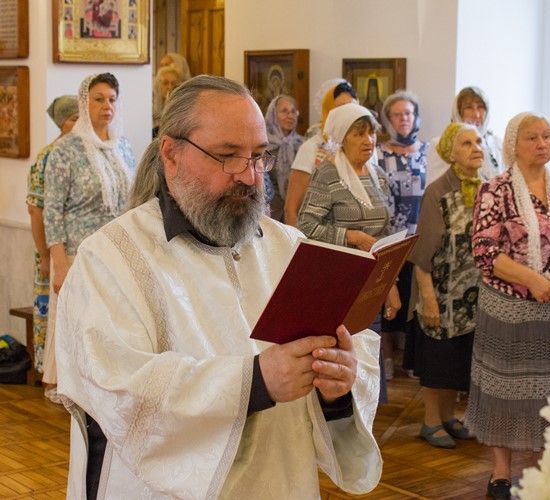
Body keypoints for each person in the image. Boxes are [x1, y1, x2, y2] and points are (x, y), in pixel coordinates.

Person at [55, 75, 382, 499]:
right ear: (171, 154)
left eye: (259, 156)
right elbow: (121, 390)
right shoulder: (111, 258)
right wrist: (257, 381)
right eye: (227, 156)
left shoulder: (289, 247)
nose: (249, 176)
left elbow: (349, 352)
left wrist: (338, 386)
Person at [464, 112, 550, 500]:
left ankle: (546, 469)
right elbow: (484, 251)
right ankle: (501, 472)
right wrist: (531, 279)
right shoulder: (495, 190)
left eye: (546, 136)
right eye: (532, 138)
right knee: (505, 392)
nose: (542, 144)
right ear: (513, 146)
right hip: (510, 310)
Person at [297, 103, 399, 398]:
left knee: (368, 353)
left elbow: (386, 233)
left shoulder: (378, 175)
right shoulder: (328, 174)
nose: (369, 140)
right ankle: (341, 415)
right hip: (336, 283)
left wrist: (390, 285)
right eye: (359, 134)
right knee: (341, 356)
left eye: (371, 133)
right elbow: (306, 226)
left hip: (370, 283)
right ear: (342, 138)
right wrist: (351, 236)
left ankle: (368, 414)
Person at [43, 73, 135, 403]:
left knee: (106, 320)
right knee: (76, 319)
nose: (106, 106)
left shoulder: (122, 146)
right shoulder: (65, 150)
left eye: (111, 99)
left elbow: (132, 200)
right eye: (98, 99)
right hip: (76, 252)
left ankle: (102, 382)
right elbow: (52, 210)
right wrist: (59, 263)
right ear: (84, 104)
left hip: (113, 251)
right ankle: (69, 385)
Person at [409, 122, 483, 448]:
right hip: (440, 292)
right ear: (451, 154)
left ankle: (450, 416)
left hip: (472, 296)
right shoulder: (437, 192)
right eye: (467, 143)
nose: (476, 148)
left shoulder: (485, 189)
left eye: (478, 141)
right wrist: (428, 298)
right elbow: (422, 253)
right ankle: (431, 421)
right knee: (438, 359)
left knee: (459, 359)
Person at [26, 95, 78, 403]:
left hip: (72, 247)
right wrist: (46, 256)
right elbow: (37, 210)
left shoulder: (81, 151)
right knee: (51, 312)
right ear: (62, 123)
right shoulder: (47, 156)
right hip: (52, 248)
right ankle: (51, 379)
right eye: (73, 119)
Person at [376, 90, 428, 380]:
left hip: (420, 238)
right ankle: (385, 358)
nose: (404, 119)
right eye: (397, 115)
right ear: (389, 120)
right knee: (387, 301)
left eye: (408, 113)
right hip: (391, 238)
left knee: (414, 300)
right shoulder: (379, 153)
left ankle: (412, 359)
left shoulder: (428, 152)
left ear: (416, 117)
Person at [283, 81, 358, 226]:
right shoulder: (311, 148)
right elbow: (291, 210)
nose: (348, 114)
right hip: (317, 235)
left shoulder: (365, 150)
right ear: (329, 111)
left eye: (353, 108)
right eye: (341, 108)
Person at [426, 86, 504, 185]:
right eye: (469, 107)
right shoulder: (441, 144)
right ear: (458, 112)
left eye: (480, 107)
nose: (476, 114)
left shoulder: (496, 143)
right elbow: (434, 186)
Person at [264, 94, 303, 221]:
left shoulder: (302, 144)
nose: (290, 116)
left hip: (297, 213)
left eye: (293, 112)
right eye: (284, 111)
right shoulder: (263, 145)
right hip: (270, 213)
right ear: (273, 115)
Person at [152, 64, 188, 137]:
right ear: (158, 85)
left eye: (173, 83)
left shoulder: (184, 108)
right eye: (165, 83)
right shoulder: (150, 107)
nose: (169, 87)